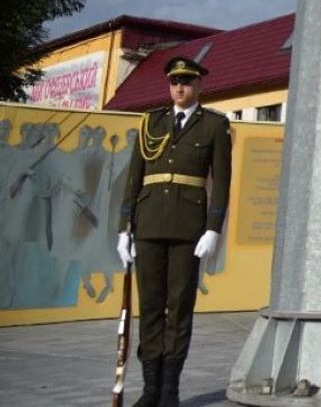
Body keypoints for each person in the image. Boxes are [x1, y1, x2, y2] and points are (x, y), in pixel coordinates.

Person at [115, 57, 231, 407]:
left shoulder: (214, 124)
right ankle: (150, 391)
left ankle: (170, 392)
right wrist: (125, 228)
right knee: (150, 307)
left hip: (187, 229)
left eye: (186, 82)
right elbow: (134, 178)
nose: (179, 87)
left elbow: (222, 182)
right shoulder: (152, 121)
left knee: (178, 307)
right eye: (174, 82)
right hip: (148, 224)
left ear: (199, 86)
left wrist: (213, 229)